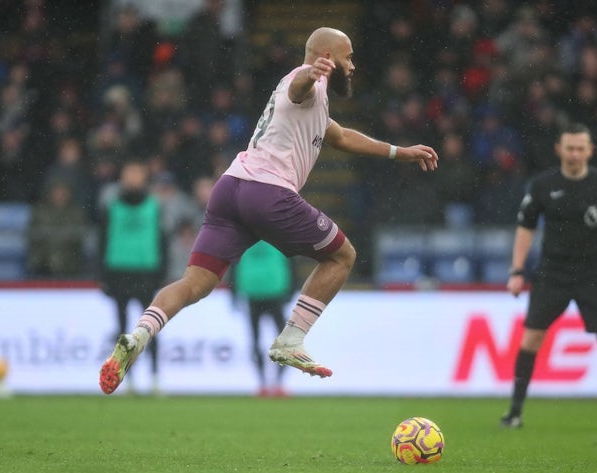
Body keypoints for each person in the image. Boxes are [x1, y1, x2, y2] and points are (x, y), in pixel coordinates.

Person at [99, 27, 438, 395]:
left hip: (230, 188)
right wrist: (311, 73)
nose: (352, 66)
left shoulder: (314, 102)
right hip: (267, 192)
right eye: (348, 57)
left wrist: (397, 152)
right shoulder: (303, 81)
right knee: (342, 256)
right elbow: (300, 85)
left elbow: (339, 136)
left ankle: (140, 333)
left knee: (195, 283)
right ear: (327, 56)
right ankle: (291, 339)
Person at [500, 123, 597, 428]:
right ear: (559, 150)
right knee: (532, 337)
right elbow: (526, 227)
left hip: (595, 272)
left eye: (580, 148)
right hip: (553, 272)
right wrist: (517, 270)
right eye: (569, 148)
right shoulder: (542, 185)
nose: (574, 154)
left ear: (590, 151)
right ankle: (515, 412)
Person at [99, 159, 167, 394]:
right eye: (130, 173)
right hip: (119, 273)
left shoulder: (154, 207)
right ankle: (123, 378)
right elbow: (102, 241)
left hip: (145, 273)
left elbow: (163, 240)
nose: (134, 178)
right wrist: (103, 275)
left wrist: (161, 272)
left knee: (150, 328)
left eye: (137, 173)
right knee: (121, 331)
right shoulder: (112, 207)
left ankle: (155, 377)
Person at [232, 240, 295, 397]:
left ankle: (270, 383)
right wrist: (292, 288)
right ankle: (269, 383)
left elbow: (233, 262)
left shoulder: (243, 235)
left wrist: (233, 291)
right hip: (271, 289)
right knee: (280, 340)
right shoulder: (277, 233)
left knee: (258, 340)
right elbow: (291, 261)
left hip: (260, 291)